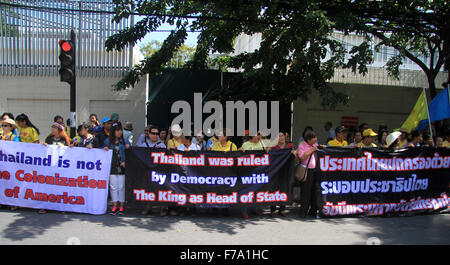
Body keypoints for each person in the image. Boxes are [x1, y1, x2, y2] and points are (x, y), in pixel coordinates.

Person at [103, 122, 130, 215]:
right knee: (113, 187)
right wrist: (104, 149)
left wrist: (127, 151)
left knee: (121, 187)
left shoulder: (125, 141)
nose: (119, 132)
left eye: (120, 130)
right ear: (113, 131)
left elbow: (131, 153)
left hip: (122, 168)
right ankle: (115, 205)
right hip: (112, 168)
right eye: (117, 130)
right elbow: (102, 153)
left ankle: (121, 206)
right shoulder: (107, 141)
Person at [269, 132, 295, 217]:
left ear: (285, 136)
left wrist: (295, 153)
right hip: (275, 172)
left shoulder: (290, 146)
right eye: (279, 136)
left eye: (282, 135)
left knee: (284, 189)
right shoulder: (273, 147)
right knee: (273, 190)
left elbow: (295, 156)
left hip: (286, 171)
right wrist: (268, 151)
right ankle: (273, 209)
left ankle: (282, 208)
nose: (281, 137)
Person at [239, 132, 265, 218]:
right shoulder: (246, 144)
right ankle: (244, 211)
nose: (259, 136)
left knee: (257, 190)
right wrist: (239, 151)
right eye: (257, 134)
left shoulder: (263, 144)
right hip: (247, 172)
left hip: (258, 172)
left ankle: (255, 209)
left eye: (260, 134)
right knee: (246, 191)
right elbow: (239, 156)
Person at [297, 130, 320, 218]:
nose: (316, 139)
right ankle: (303, 211)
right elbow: (302, 157)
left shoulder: (316, 145)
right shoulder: (302, 145)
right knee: (306, 192)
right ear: (308, 139)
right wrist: (311, 150)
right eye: (314, 137)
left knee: (315, 191)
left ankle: (313, 211)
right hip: (307, 171)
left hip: (315, 171)